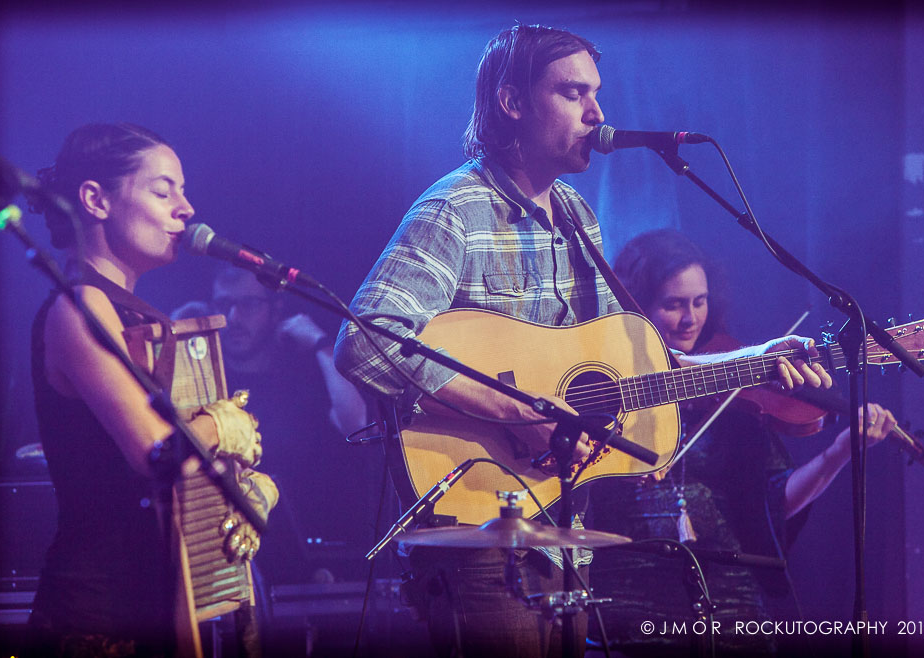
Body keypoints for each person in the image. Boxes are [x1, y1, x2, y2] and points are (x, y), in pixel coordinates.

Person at [334, 25, 832, 658]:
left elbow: (639, 363)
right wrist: (521, 412)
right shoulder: (454, 211)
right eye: (574, 94)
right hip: (478, 515)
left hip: (565, 515)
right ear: (512, 102)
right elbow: (366, 341)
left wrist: (751, 362)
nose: (597, 114)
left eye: (596, 94)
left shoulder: (575, 213)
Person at [27, 123, 278, 657]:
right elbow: (155, 451)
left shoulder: (135, 316)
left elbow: (183, 468)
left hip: (159, 612)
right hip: (97, 626)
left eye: (182, 192)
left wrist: (252, 495)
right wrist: (222, 425)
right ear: (95, 199)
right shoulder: (80, 305)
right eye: (163, 191)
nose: (185, 208)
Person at [587, 228, 897, 656]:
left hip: (732, 607)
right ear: (638, 307)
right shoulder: (604, 384)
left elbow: (775, 502)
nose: (690, 318)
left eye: (699, 301)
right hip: (628, 603)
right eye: (673, 304)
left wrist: (841, 451)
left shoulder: (737, 401)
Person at [173, 265, 370, 588]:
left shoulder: (301, 375)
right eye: (223, 305)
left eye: (248, 305)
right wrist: (175, 335)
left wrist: (321, 344)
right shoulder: (205, 381)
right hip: (225, 556)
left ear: (275, 309)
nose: (234, 317)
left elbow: (357, 424)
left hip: (307, 565)